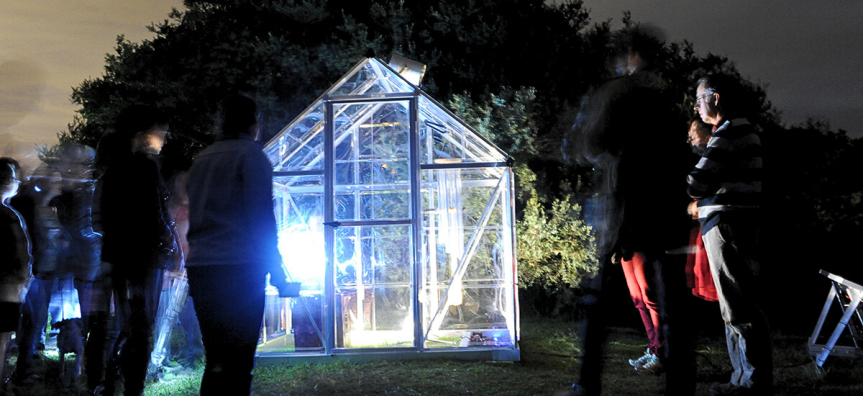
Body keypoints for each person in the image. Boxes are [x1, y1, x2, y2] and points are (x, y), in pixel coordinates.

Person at [563, 26, 694, 395]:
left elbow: (589, 144)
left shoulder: (616, 93)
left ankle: (587, 385)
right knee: (674, 307)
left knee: (598, 303)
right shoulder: (670, 99)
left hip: (625, 212)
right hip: (668, 215)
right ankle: (681, 388)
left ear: (631, 55)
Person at [185, 94, 290, 395]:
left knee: (216, 358)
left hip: (202, 266)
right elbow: (261, 217)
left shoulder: (201, 159)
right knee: (240, 358)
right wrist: (277, 272)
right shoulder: (251, 156)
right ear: (254, 122)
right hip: (240, 266)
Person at [689, 74, 772, 395]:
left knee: (737, 304)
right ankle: (743, 377)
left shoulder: (730, 131)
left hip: (727, 225)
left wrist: (701, 156)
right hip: (732, 223)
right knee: (736, 303)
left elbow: (695, 183)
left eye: (699, 98)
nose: (696, 106)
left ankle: (750, 381)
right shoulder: (737, 131)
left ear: (716, 97)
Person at [99, 104, 175, 396]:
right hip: (143, 259)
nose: (164, 138)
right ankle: (133, 388)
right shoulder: (144, 168)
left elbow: (107, 217)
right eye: (161, 132)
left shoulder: (112, 168)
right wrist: (167, 241)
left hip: (121, 258)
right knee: (141, 326)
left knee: (127, 323)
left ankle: (109, 382)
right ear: (143, 133)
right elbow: (153, 215)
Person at [11, 164, 64, 384]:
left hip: (48, 272)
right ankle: (23, 368)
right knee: (31, 319)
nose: (59, 184)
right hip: (34, 273)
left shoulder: (55, 209)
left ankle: (26, 360)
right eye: (55, 180)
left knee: (38, 320)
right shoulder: (27, 208)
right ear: (44, 183)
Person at [0, 159, 32, 385]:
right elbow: (21, 253)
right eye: (14, 178)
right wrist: (24, 279)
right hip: (7, 288)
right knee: (2, 339)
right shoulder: (9, 216)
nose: (18, 183)